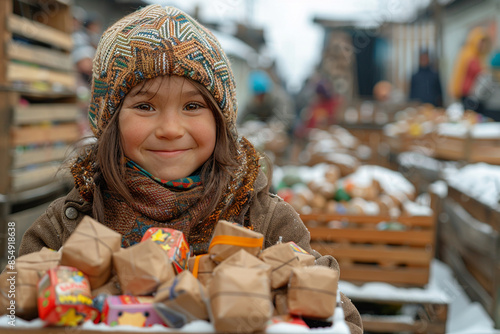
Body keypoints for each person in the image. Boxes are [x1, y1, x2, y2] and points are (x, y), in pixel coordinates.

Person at [18, 5, 363, 332]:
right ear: (110, 121)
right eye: (145, 106)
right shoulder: (70, 224)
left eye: (193, 105)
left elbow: (343, 321)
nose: (170, 128)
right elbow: (12, 310)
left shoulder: (266, 222)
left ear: (220, 120)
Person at [448, 26, 490, 108]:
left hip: (471, 93)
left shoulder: (474, 54)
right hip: (467, 93)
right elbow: (479, 72)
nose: (483, 45)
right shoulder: (470, 55)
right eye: (481, 42)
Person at [470, 51, 500, 121]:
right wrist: (489, 84)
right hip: (490, 112)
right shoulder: (486, 78)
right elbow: (477, 96)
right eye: (496, 71)